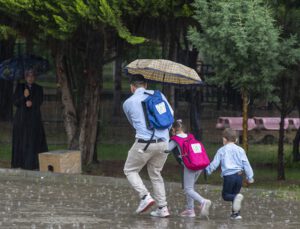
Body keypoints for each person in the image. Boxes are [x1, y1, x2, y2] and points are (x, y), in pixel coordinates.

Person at [123, 74, 173, 218]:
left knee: (130, 170)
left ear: (132, 87)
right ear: (145, 85)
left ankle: (145, 197)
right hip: (164, 143)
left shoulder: (128, 102)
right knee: (156, 174)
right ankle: (163, 208)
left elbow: (133, 123)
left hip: (144, 143)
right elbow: (171, 116)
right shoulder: (159, 95)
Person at [205, 128, 254, 220]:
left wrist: (208, 170)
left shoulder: (222, 150)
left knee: (226, 195)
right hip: (239, 176)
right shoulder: (240, 150)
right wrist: (250, 176)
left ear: (224, 139)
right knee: (236, 195)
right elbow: (246, 163)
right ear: (235, 140)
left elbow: (215, 163)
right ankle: (236, 214)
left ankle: (236, 201)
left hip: (229, 177)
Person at [168, 119, 211, 218]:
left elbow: (166, 149)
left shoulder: (176, 139)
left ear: (174, 129)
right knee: (191, 187)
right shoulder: (191, 137)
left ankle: (203, 201)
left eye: (172, 130)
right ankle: (190, 210)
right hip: (199, 165)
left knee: (188, 189)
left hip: (190, 166)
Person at [11, 69, 48, 170]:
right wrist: (24, 97)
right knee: (22, 141)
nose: (30, 78)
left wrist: (32, 103)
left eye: (32, 76)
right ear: (25, 77)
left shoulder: (39, 88)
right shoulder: (20, 87)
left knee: (33, 141)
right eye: (28, 76)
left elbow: (40, 101)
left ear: (34, 77)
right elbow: (15, 102)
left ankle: (33, 164)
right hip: (21, 119)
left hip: (33, 118)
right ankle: (20, 163)